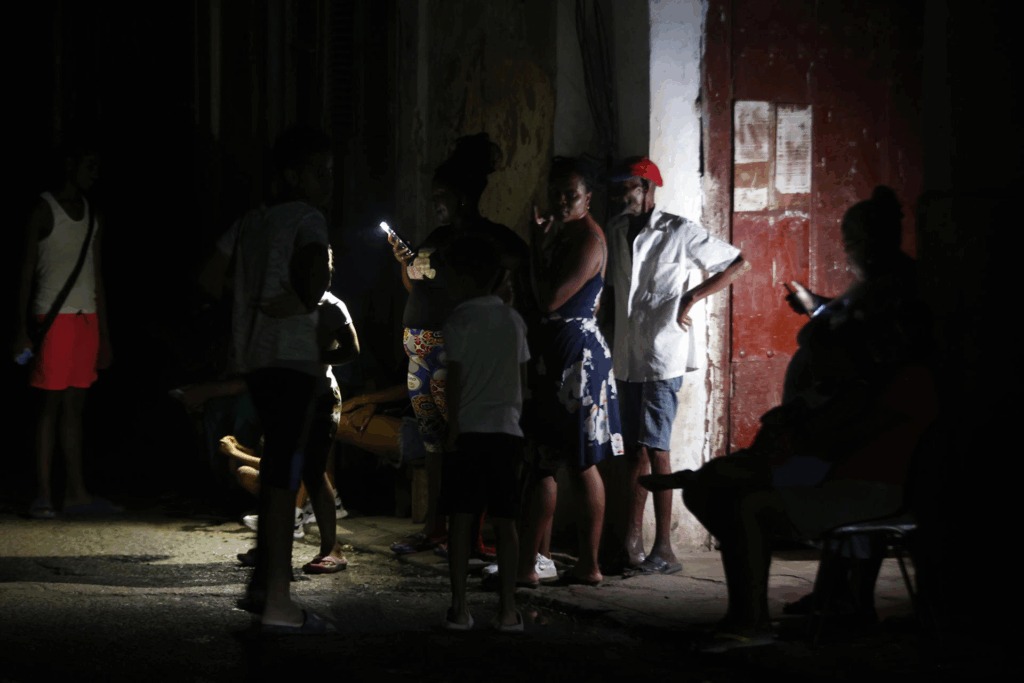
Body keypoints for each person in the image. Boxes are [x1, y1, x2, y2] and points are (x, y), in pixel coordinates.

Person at [639, 186, 937, 651]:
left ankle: (754, 619)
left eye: (855, 241)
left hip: (855, 480)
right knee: (717, 483)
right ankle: (801, 601)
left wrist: (782, 447)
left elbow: (838, 445)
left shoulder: (893, 365)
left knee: (743, 499)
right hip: (828, 465)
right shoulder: (858, 354)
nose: (851, 251)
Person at [211, 123, 336, 633]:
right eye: (319, 172)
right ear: (293, 175)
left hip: (256, 358)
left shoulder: (250, 222)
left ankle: (262, 587)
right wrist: (305, 299)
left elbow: (208, 276)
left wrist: (249, 300)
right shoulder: (308, 217)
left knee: (276, 477)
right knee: (284, 479)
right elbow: (316, 276)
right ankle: (280, 601)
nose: (327, 182)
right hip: (294, 360)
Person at [605, 156, 750, 575]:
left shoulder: (678, 231)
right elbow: (613, 291)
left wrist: (692, 297)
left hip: (661, 356)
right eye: (619, 188)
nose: (622, 195)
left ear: (648, 188)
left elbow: (737, 263)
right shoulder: (615, 230)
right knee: (632, 451)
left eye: (629, 187)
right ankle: (631, 545)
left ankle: (665, 549)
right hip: (626, 357)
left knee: (657, 449)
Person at [386, 132, 528, 560]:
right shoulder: (437, 236)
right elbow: (417, 285)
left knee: (462, 444)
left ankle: (468, 534)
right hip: (420, 353)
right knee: (433, 442)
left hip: (455, 354)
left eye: (441, 196)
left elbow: (511, 274)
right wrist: (405, 263)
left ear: (463, 197)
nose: (435, 203)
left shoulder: (487, 240)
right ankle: (434, 527)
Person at [517, 156, 623, 588]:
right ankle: (530, 565)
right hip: (554, 356)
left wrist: (534, 247)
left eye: (571, 195)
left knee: (581, 462)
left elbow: (550, 299)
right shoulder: (565, 234)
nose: (561, 201)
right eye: (556, 193)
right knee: (543, 460)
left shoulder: (590, 240)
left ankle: (589, 564)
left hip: (578, 359)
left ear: (588, 198)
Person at [12, 129, 122, 520]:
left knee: (74, 408)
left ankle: (76, 492)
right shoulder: (44, 210)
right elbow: (26, 271)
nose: (95, 172)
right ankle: (44, 494)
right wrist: (21, 329)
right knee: (50, 406)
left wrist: (104, 335)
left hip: (84, 316)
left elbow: (97, 276)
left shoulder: (93, 214)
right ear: (70, 165)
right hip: (53, 316)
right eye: (89, 165)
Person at [438, 232, 530, 632]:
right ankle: (508, 611)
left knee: (461, 520)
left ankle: (460, 609)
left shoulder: (458, 319)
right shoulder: (513, 320)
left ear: (464, 278)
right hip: (507, 431)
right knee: (506, 522)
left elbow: (454, 379)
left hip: (469, 431)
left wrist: (451, 428)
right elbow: (522, 383)